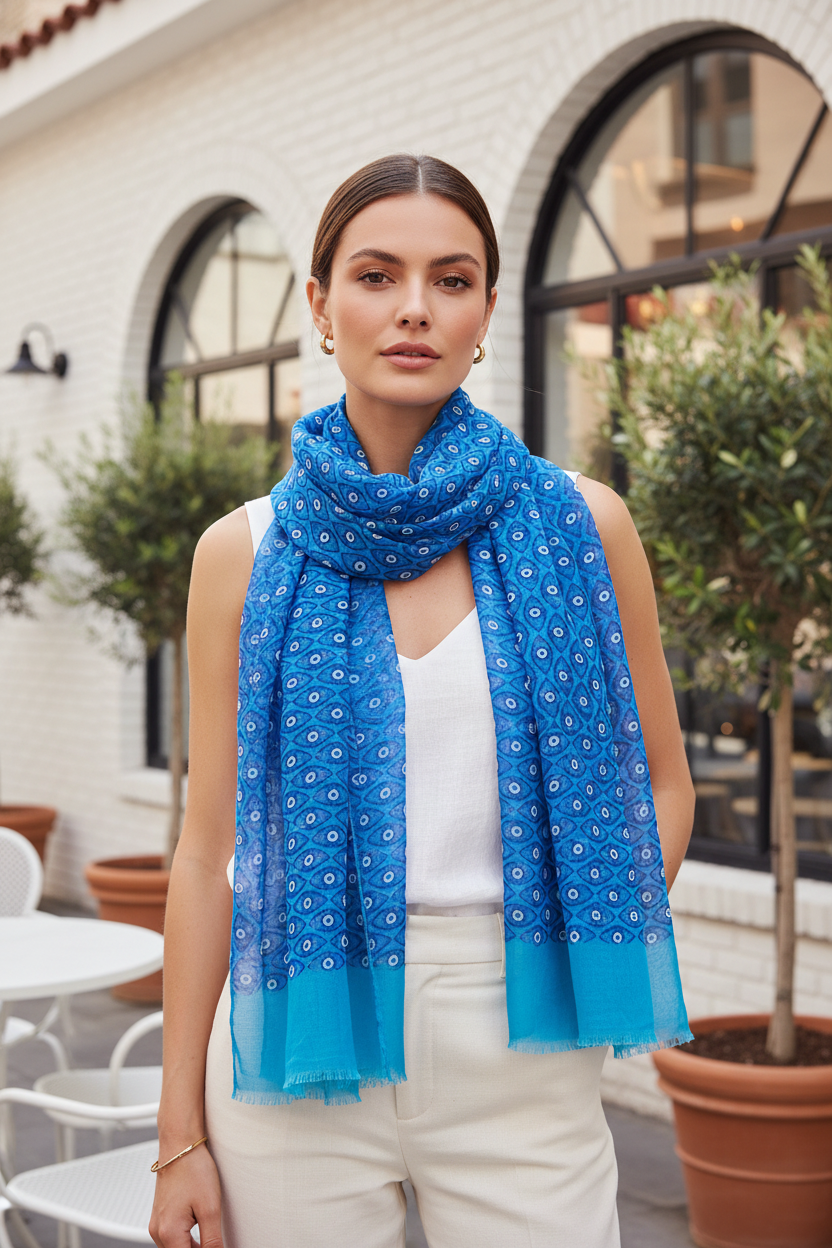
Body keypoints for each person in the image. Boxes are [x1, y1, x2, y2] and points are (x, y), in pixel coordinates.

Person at [149, 153, 694, 1248]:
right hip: (295, 1030)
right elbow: (208, 850)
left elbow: (664, 786)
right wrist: (177, 1138)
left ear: (488, 310)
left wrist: (578, 934)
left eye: (451, 280)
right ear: (319, 304)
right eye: (375, 274)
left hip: (522, 1035)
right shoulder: (243, 554)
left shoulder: (583, 528)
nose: (412, 309)